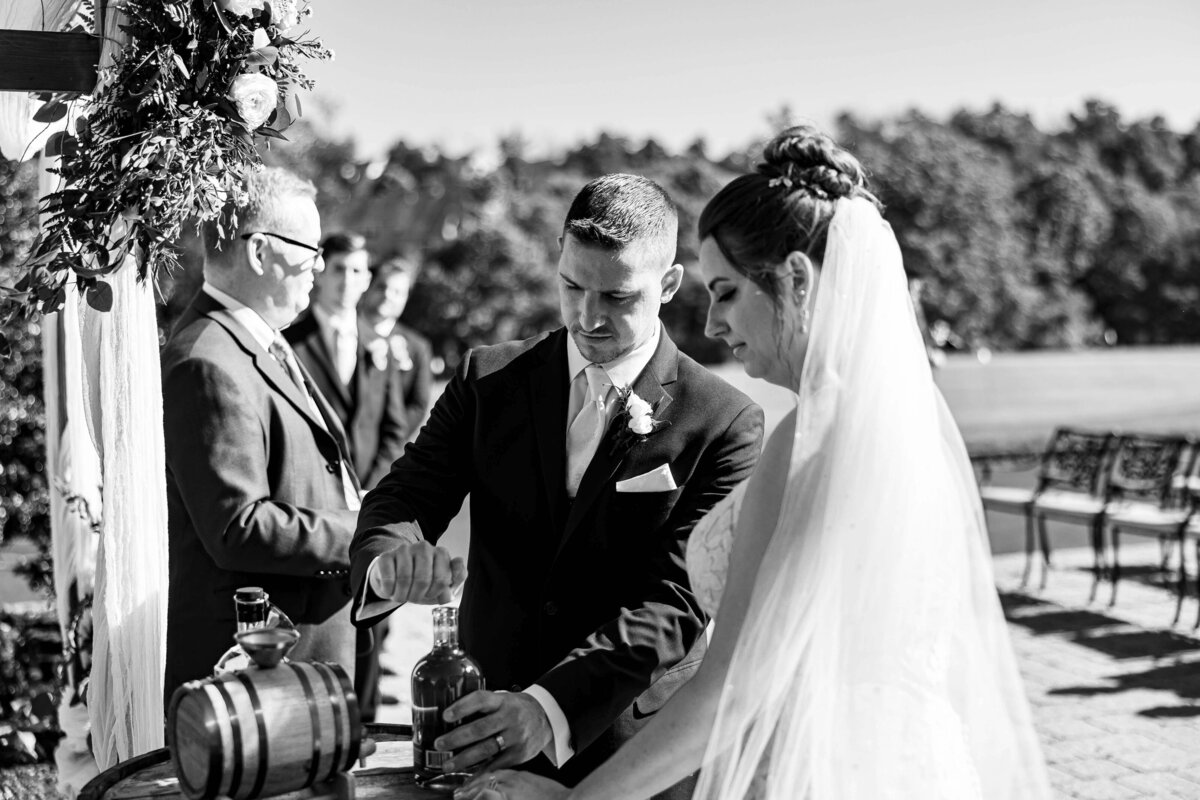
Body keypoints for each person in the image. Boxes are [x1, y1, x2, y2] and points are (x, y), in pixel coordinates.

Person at [459, 128, 1052, 799]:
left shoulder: (810, 442)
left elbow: (731, 693)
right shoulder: (902, 434)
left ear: (795, 280)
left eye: (727, 291)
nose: (710, 324)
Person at [350, 174, 764, 799]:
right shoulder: (488, 378)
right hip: (475, 735)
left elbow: (675, 600)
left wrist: (546, 709)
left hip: (625, 755)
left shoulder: (724, 420)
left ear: (670, 285)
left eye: (617, 297)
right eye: (572, 286)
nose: (587, 317)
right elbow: (404, 495)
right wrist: (388, 561)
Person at [161, 167, 361, 704]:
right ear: (259, 252)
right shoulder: (205, 360)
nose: (319, 267)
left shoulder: (258, 340)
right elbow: (237, 526)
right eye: (311, 250)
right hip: (254, 678)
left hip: (303, 662)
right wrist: (360, 531)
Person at [282, 234, 426, 722]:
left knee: (374, 625)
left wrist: (374, 491)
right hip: (316, 511)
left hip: (370, 505)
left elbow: (392, 428)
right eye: (340, 269)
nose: (349, 281)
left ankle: (363, 731)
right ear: (322, 271)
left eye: (359, 271)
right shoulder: (289, 342)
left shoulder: (380, 345)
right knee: (321, 630)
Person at [358, 255, 434, 442]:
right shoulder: (340, 333)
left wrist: (388, 447)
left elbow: (417, 406)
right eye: (382, 287)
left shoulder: (418, 348)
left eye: (398, 292)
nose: (387, 295)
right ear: (368, 287)